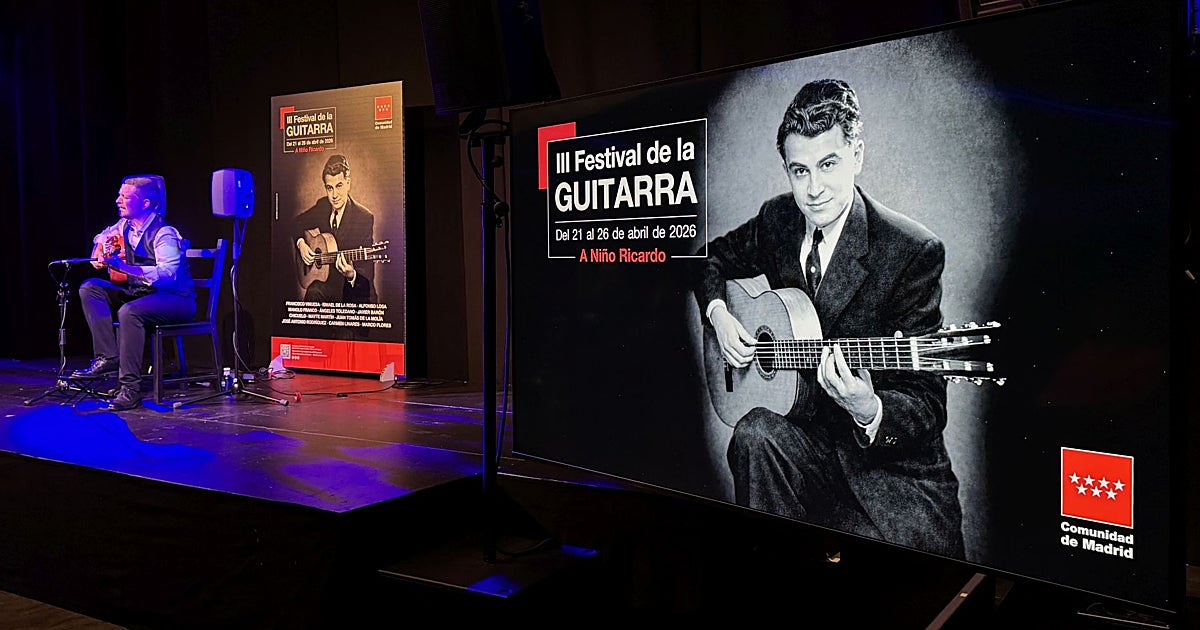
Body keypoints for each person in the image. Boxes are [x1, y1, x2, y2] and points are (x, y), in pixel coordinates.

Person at [693, 79, 964, 558]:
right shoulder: (777, 219)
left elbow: (928, 404)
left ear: (857, 154)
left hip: (886, 472)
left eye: (828, 164)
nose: (813, 189)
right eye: (799, 171)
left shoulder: (910, 250)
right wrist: (718, 314)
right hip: (807, 445)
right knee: (753, 435)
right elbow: (708, 261)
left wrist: (869, 407)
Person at [72, 174, 197, 411]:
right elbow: (102, 235)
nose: (118, 200)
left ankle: (130, 389)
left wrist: (126, 268)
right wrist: (98, 250)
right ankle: (109, 357)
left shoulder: (165, 233)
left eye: (125, 197)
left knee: (129, 312)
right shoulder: (124, 225)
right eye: (119, 195)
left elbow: (169, 274)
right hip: (140, 293)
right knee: (91, 288)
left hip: (174, 299)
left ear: (145, 204)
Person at [293, 154, 377, 305]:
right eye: (329, 188)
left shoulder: (363, 217)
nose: (334, 195)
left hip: (353, 292)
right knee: (313, 292)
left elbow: (368, 272)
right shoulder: (323, 206)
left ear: (348, 183)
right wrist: (301, 245)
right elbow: (297, 222)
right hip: (328, 287)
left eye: (339, 186)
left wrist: (351, 274)